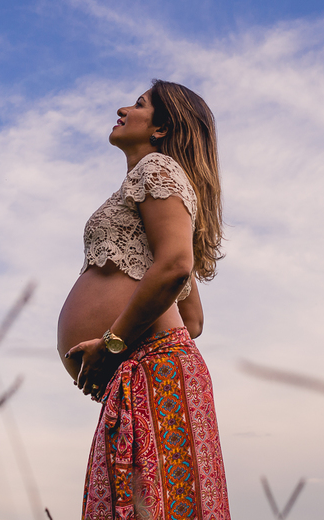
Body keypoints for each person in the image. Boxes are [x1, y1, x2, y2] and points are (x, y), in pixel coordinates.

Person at [57, 80, 230, 520]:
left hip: (152, 373)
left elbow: (174, 267)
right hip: (147, 377)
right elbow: (191, 319)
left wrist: (115, 343)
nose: (123, 108)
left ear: (160, 129)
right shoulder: (149, 182)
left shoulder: (158, 170)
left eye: (139, 104)